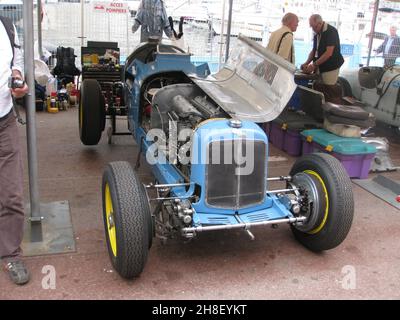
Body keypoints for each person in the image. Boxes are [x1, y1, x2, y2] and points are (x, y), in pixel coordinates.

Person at [0, 16, 29, 285]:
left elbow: (15, 64)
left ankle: (10, 254)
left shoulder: (7, 26)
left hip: (4, 121)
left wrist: (17, 79)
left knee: (12, 195)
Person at [301, 14, 344, 85]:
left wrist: (314, 65)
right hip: (320, 66)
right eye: (311, 27)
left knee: (328, 88)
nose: (313, 29)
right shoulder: (316, 33)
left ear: (320, 23)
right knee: (317, 87)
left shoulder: (331, 31)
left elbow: (329, 53)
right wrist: (306, 63)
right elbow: (314, 50)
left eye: (314, 27)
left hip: (331, 67)